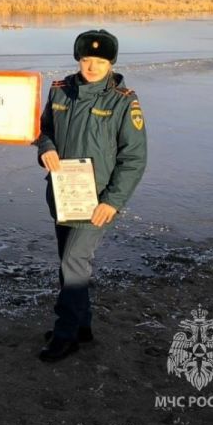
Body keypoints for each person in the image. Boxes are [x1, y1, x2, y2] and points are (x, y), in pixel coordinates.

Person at [35, 29, 147, 362]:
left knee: (73, 261)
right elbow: (43, 130)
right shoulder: (60, 91)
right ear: (78, 59)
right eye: (86, 60)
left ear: (110, 63)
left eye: (99, 61)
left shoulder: (123, 100)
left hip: (97, 199)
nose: (92, 67)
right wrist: (46, 148)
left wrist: (112, 201)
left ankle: (65, 334)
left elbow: (134, 158)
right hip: (61, 192)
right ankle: (81, 325)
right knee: (71, 262)